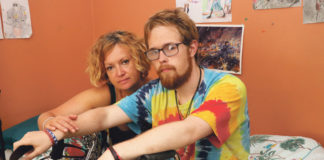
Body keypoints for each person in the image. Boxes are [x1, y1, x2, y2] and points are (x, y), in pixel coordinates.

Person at [14, 8, 250, 160]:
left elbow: (189, 130)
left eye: (170, 48)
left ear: (192, 48)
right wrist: (51, 136)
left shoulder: (227, 87)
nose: (162, 58)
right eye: (155, 51)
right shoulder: (154, 91)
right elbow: (104, 117)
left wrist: (114, 153)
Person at [35, 30, 151, 159]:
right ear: (105, 72)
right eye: (110, 67)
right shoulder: (106, 94)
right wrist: (51, 123)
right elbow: (45, 117)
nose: (119, 73)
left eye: (125, 62)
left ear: (138, 59)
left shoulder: (156, 91)